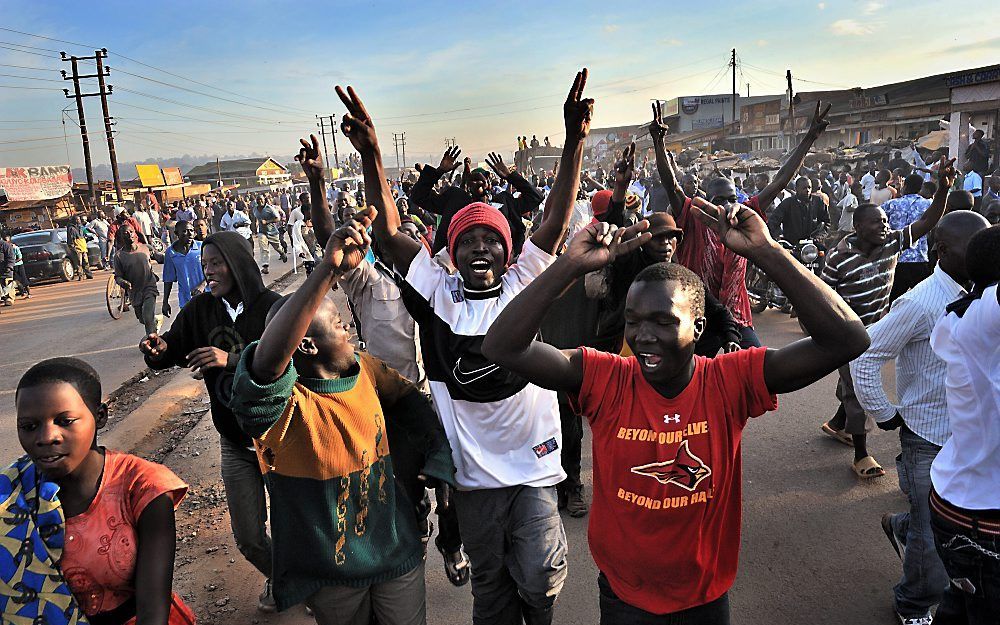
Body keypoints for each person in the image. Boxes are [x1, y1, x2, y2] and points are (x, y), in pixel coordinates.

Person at [481, 192, 870, 624]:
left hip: (703, 598)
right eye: (634, 320)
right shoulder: (605, 378)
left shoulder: (729, 381)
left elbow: (848, 340)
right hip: (624, 597)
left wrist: (767, 251)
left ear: (698, 326)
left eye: (664, 321)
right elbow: (501, 346)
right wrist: (570, 265)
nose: (643, 335)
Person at [336, 70, 591, 624]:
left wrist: (572, 141)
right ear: (453, 252)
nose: (480, 247)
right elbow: (388, 235)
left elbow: (553, 220)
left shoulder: (526, 280)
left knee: (543, 574)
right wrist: (373, 155)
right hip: (473, 475)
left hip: (533, 463)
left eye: (491, 240)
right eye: (468, 239)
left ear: (507, 252)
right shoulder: (436, 291)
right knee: (491, 584)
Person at [229, 210, 454, 624]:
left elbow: (411, 404)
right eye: (336, 322)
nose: (348, 326)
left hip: (395, 551)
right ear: (307, 346)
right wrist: (323, 272)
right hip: (332, 573)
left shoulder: (366, 370)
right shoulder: (281, 409)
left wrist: (436, 458)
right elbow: (263, 369)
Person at [296, 135, 471, 585]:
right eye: (397, 242)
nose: (405, 248)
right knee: (403, 487)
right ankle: (414, 525)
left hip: (441, 401)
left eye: (412, 240)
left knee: (451, 484)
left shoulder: (445, 283)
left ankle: (452, 547)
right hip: (389, 405)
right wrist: (317, 182)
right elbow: (326, 239)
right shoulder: (369, 283)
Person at [851, 210, 990, 625]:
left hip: (970, 437)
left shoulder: (983, 292)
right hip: (926, 437)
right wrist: (885, 413)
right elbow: (865, 355)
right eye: (975, 247)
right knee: (931, 542)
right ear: (943, 252)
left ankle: (902, 525)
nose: (986, 254)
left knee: (958, 519)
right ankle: (911, 603)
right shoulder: (921, 301)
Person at [139, 231, 281, 612]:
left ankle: (305, 584)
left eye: (216, 263)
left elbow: (287, 366)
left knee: (295, 527)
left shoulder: (274, 308)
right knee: (249, 536)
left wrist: (230, 360)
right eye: (205, 265)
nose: (209, 271)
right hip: (234, 443)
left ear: (238, 264)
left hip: (281, 441)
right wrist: (158, 350)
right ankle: (285, 579)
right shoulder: (201, 309)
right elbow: (172, 349)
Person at [11, 357, 195, 624]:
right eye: (29, 427)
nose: (46, 437)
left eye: (65, 421)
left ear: (100, 416)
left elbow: (152, 610)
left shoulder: (143, 487)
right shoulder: (13, 494)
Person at [651, 100, 832, 348]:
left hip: (738, 316)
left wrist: (809, 138)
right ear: (707, 201)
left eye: (732, 199)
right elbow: (672, 186)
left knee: (760, 371)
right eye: (719, 200)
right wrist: (659, 142)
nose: (726, 206)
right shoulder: (693, 217)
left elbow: (780, 180)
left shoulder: (746, 218)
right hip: (698, 317)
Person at [820, 158, 954, 478]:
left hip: (878, 326)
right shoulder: (838, 257)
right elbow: (820, 298)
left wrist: (944, 190)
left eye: (884, 221)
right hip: (848, 332)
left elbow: (926, 223)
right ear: (857, 227)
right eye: (876, 223)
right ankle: (861, 455)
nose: (883, 226)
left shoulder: (893, 242)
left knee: (851, 385)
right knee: (856, 388)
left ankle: (839, 423)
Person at [928, 224, 1000, 623]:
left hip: (961, 504)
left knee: (961, 607)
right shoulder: (984, 319)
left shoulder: (973, 318)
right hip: (982, 520)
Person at [410, 146, 543, 257]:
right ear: (467, 185)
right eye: (473, 180)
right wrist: (439, 171)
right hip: (452, 270)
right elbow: (418, 197)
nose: (478, 183)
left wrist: (510, 176)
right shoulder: (455, 199)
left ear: (489, 185)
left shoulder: (504, 202)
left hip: (502, 270)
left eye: (482, 180)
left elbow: (535, 197)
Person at [882, 174, 934, 302]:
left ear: (905, 186)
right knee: (925, 300)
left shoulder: (891, 205)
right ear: (921, 188)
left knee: (891, 301)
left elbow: (877, 220)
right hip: (920, 259)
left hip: (896, 259)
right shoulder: (928, 204)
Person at [113, 224, 164, 336]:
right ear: (121, 237)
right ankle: (156, 321)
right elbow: (117, 276)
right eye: (125, 233)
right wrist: (122, 282)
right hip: (134, 291)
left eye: (131, 232)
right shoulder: (119, 256)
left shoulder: (146, 248)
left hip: (149, 287)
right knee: (143, 319)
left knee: (147, 317)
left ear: (135, 234)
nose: (129, 234)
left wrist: (170, 256)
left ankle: (153, 344)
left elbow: (160, 258)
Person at [162, 220, 206, 318]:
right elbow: (168, 279)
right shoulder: (170, 252)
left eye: (191, 231)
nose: (190, 234)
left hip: (206, 296)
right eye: (185, 231)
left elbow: (212, 270)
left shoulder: (202, 247)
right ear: (177, 233)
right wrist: (165, 302)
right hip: (186, 300)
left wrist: (202, 285)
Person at [767, 177, 831, 244]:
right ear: (796, 189)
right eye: (804, 188)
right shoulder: (787, 203)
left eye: (809, 187)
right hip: (792, 245)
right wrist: (779, 236)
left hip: (813, 245)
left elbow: (827, 222)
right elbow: (773, 221)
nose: (807, 190)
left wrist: (820, 236)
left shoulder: (818, 202)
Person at [252, 196, 288, 274]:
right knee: (264, 249)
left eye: (261, 199)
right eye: (258, 200)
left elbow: (278, 218)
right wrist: (255, 227)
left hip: (272, 232)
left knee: (277, 247)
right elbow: (256, 218)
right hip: (262, 232)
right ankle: (265, 267)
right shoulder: (255, 209)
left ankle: (282, 253)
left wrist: (267, 221)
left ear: (264, 200)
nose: (259, 201)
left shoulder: (270, 208)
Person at [66, 216, 94, 281]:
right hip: (77, 249)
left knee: (86, 262)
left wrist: (87, 239)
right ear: (74, 220)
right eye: (77, 219)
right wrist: (74, 249)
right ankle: (80, 276)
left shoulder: (81, 227)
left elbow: (83, 237)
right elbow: (70, 241)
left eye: (79, 219)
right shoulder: (71, 229)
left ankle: (89, 275)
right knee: (79, 263)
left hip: (83, 248)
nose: (79, 220)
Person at [5, 234, 30, 299]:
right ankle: (22, 292)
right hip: (12, 266)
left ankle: (28, 293)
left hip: (19, 265)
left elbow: (20, 258)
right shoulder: (5, 249)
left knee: (24, 279)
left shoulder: (15, 248)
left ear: (9, 241)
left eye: (6, 241)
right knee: (16, 280)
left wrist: (13, 262)